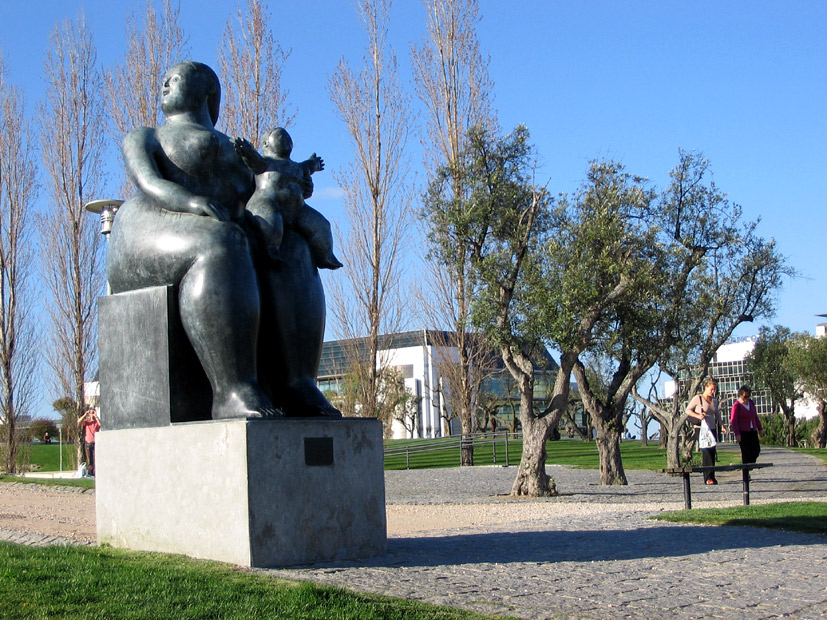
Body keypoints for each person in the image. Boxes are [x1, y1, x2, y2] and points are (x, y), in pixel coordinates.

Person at [107, 61, 341, 420]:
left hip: (220, 225)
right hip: (149, 224)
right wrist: (191, 202)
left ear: (207, 92)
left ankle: (298, 384)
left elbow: (259, 196)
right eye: (165, 80)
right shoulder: (146, 137)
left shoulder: (234, 150)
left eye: (176, 78)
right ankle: (233, 389)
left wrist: (294, 191)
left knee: (293, 249)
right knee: (222, 241)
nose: (165, 83)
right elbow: (149, 183)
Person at [233, 129, 342, 270]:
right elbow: (252, 159)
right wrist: (247, 152)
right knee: (271, 220)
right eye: (278, 135)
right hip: (268, 202)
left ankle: (326, 255)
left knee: (321, 225)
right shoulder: (265, 163)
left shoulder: (296, 166)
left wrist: (314, 163)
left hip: (298, 209)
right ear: (266, 144)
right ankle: (271, 248)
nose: (283, 137)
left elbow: (308, 166)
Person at [686, 378, 725, 485]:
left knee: (712, 451)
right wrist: (698, 415)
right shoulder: (698, 398)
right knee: (706, 451)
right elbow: (687, 410)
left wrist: (722, 426)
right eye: (711, 389)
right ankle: (707, 477)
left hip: (711, 428)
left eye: (714, 389)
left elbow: (717, 414)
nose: (713, 391)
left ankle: (712, 476)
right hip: (702, 429)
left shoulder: (714, 401)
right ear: (706, 388)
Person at [730, 385, 763, 464]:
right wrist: (737, 433)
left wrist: (760, 429)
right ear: (741, 395)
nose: (746, 399)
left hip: (752, 430)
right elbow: (733, 420)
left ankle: (750, 464)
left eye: (748, 396)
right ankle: (746, 473)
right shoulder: (737, 405)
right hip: (743, 431)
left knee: (756, 449)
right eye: (745, 396)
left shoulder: (751, 403)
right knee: (746, 453)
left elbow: (755, 416)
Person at [78, 409, 101, 477]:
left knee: (95, 459)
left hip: (95, 443)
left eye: (93, 412)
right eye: (91, 412)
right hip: (88, 443)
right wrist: (85, 414)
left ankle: (95, 472)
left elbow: (100, 424)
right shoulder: (87, 422)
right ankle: (90, 473)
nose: (92, 414)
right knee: (89, 459)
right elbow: (79, 421)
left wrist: (96, 417)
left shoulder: (96, 423)